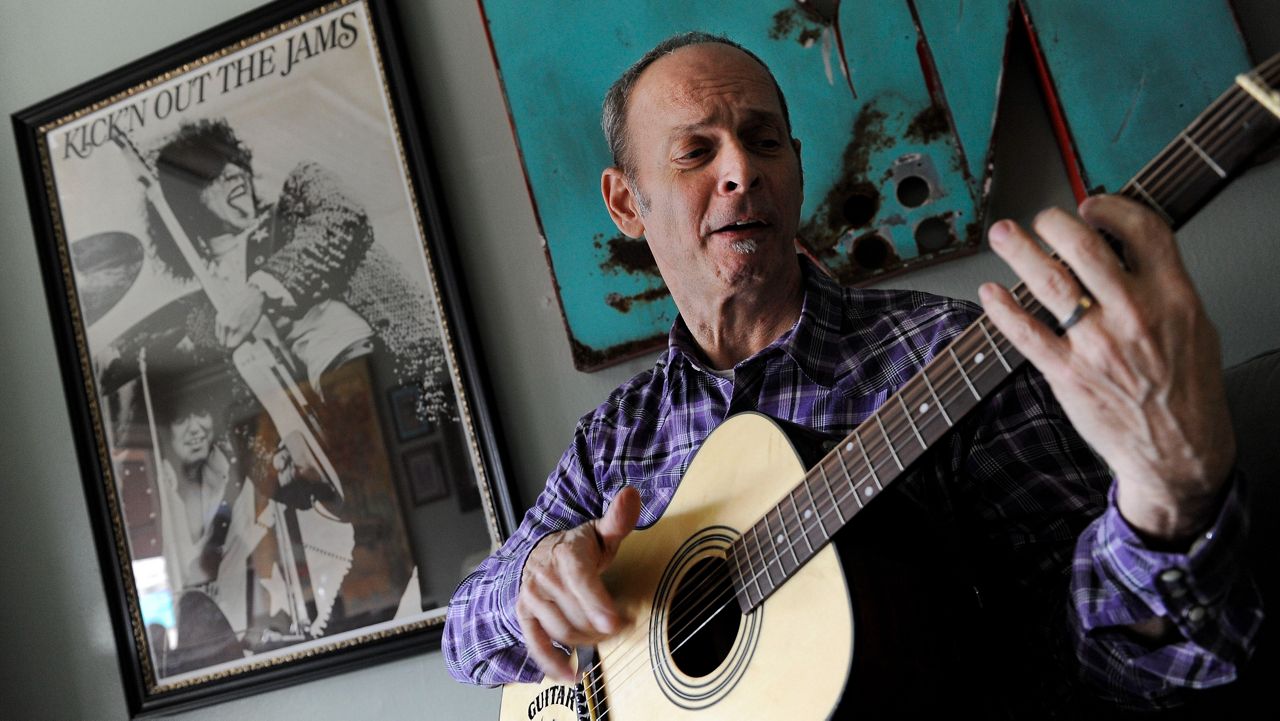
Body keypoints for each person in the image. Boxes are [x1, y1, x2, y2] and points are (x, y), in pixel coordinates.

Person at [442, 32, 1263, 715]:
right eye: (697, 151)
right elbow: (464, 642)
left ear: (796, 168)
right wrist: (532, 574)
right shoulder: (614, 438)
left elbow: (1103, 665)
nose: (741, 171)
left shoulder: (954, 352)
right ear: (627, 203)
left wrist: (1166, 508)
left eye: (764, 142)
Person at [111, 118, 423, 636]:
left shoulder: (298, 199)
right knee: (391, 544)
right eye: (212, 175)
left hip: (409, 392)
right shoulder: (203, 320)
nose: (234, 174)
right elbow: (241, 423)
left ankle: (354, 622)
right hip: (342, 461)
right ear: (188, 209)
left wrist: (261, 290)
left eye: (233, 162)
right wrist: (272, 469)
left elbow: (340, 220)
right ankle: (352, 625)